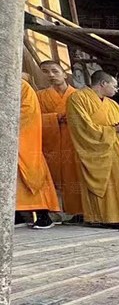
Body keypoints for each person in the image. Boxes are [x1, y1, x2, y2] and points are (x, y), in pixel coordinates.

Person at [65, 72, 119, 234]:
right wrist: (111, 130)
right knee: (105, 187)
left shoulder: (113, 104)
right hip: (96, 151)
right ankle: (107, 220)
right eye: (114, 85)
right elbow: (81, 127)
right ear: (103, 83)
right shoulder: (78, 98)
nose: (116, 89)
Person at [37, 60, 84, 217]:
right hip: (51, 144)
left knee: (76, 176)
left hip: (74, 143)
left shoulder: (78, 95)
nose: (50, 75)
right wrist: (55, 118)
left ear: (64, 74)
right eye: (45, 71)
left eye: (55, 71)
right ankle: (56, 213)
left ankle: (78, 212)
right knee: (52, 178)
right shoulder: (39, 96)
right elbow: (33, 119)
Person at [16, 79, 60, 229]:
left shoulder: (22, 86)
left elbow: (27, 112)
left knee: (31, 175)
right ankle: (17, 215)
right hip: (7, 140)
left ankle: (43, 215)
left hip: (23, 138)